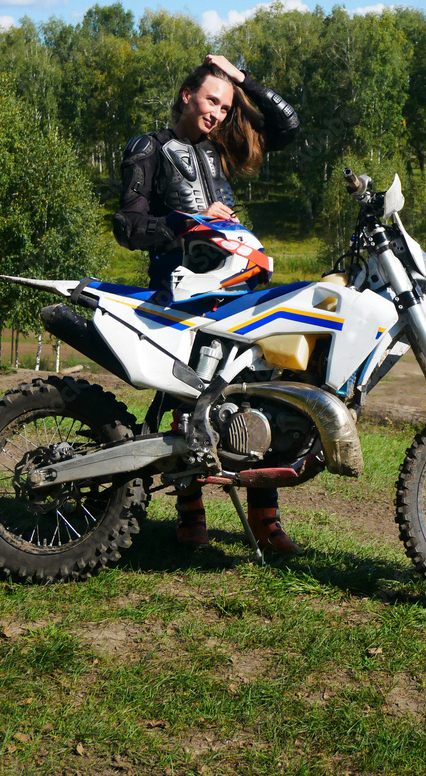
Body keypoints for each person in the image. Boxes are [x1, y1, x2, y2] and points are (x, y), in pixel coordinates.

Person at [113, 54, 301, 554]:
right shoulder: (149, 147)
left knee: (257, 392)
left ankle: (265, 516)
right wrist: (190, 223)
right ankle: (191, 513)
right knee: (186, 400)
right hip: (178, 291)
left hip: (236, 286)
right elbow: (127, 226)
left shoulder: (220, 147)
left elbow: (287, 127)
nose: (217, 113)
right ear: (187, 96)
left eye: (225, 106)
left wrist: (241, 80)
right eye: (211, 101)